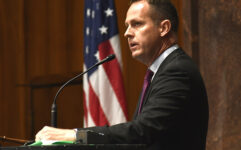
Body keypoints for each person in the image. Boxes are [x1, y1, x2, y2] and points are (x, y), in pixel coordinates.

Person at [35, 0, 209, 150]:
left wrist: (75, 135)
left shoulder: (177, 71)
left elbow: (142, 131)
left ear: (163, 28)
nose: (127, 33)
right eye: (127, 26)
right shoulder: (161, 71)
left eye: (137, 24)